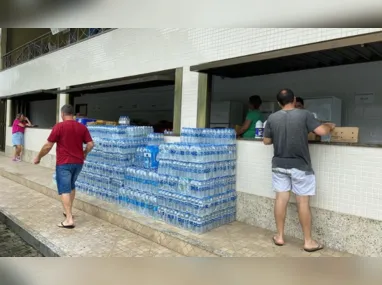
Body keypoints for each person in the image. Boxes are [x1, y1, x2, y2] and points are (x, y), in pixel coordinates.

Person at [263, 88, 335, 252]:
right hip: (300, 167)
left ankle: (280, 236)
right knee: (302, 202)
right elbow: (322, 132)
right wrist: (329, 126)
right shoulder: (305, 115)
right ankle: (308, 242)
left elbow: (266, 141)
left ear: (278, 103)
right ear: (294, 100)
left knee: (281, 199)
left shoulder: (272, 118)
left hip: (279, 165)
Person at [33, 105, 94, 229]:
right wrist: (84, 153)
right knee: (71, 186)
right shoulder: (82, 127)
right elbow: (91, 144)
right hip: (78, 163)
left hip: (64, 163)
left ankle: (69, 219)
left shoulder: (59, 127)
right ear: (73, 114)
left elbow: (47, 146)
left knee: (65, 189)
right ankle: (68, 211)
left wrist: (39, 157)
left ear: (62, 114)